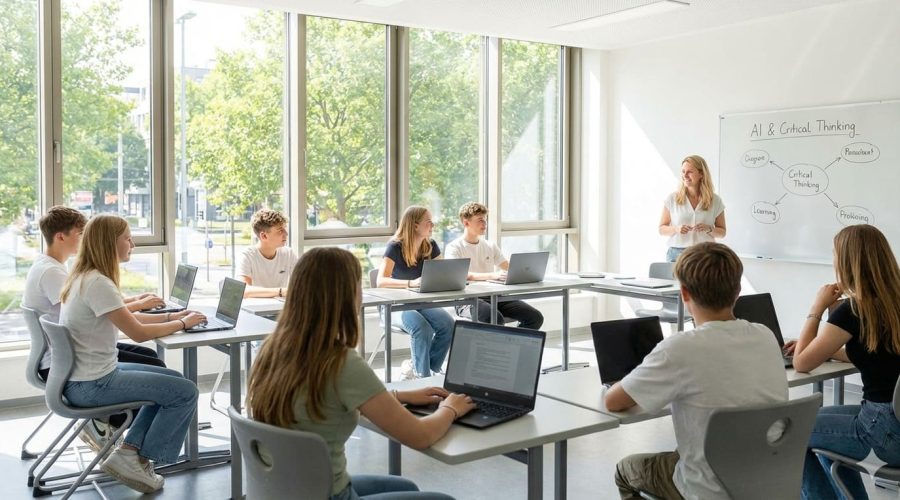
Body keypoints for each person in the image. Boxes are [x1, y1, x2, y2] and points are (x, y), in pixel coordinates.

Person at [247, 247, 475, 500]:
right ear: (344, 295)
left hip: (284, 489)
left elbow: (330, 398)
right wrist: (451, 408)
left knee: (407, 488)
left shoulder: (274, 347)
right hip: (326, 494)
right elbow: (420, 436)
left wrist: (399, 395)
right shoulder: (339, 361)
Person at [605, 242, 787, 499]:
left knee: (626, 469)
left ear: (684, 293)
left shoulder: (679, 349)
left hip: (708, 488)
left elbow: (613, 402)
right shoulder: (765, 335)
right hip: (765, 479)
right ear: (737, 291)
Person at [59, 214, 205, 493]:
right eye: (127, 238)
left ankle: (129, 454)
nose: (133, 244)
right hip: (93, 385)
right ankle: (136, 458)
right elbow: (137, 333)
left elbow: (130, 321)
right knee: (185, 392)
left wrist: (173, 317)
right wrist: (182, 323)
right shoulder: (98, 282)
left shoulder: (84, 277)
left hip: (84, 378)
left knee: (171, 381)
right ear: (110, 243)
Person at [22, 206, 167, 451]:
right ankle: (107, 423)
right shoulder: (52, 272)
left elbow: (101, 305)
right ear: (61, 236)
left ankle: (115, 428)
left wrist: (135, 304)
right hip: (69, 360)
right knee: (155, 367)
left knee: (149, 357)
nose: (86, 238)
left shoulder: (50, 265)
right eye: (81, 233)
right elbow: (100, 307)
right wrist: (145, 308)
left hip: (69, 352)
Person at [791, 224, 900, 500]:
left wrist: (816, 309)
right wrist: (825, 342)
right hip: (893, 419)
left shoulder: (853, 310)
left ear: (847, 263)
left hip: (882, 428)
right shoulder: (892, 303)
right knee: (817, 431)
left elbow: (801, 363)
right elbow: (872, 354)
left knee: (793, 431)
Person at [376, 206, 455, 379]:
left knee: (448, 325)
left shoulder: (430, 245)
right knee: (421, 327)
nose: (432, 226)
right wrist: (411, 283)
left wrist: (452, 278)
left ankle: (422, 367)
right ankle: (423, 378)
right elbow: (380, 281)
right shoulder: (395, 247)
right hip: (393, 306)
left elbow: (441, 272)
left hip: (420, 303)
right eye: (429, 222)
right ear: (415, 225)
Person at [444, 202, 543, 329]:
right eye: (480, 220)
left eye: (485, 220)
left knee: (535, 318)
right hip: (467, 300)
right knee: (496, 319)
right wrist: (493, 275)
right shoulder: (454, 248)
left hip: (494, 296)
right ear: (466, 222)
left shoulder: (490, 246)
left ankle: (514, 346)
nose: (484, 224)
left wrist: (530, 271)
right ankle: (500, 347)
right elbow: (462, 276)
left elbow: (507, 266)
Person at [658, 155, 726, 262]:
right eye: (683, 171)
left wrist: (709, 229)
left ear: (701, 174)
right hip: (676, 255)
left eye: (689, 172)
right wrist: (676, 229)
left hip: (705, 254)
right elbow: (661, 229)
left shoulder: (715, 200)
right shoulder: (672, 198)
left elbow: (722, 232)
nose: (685, 175)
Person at [237, 209, 298, 298]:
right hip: (255, 309)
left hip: (280, 308)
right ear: (264, 236)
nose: (286, 233)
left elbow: (302, 283)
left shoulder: (288, 253)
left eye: (285, 229)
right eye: (280, 230)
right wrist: (281, 291)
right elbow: (244, 290)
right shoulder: (247, 255)